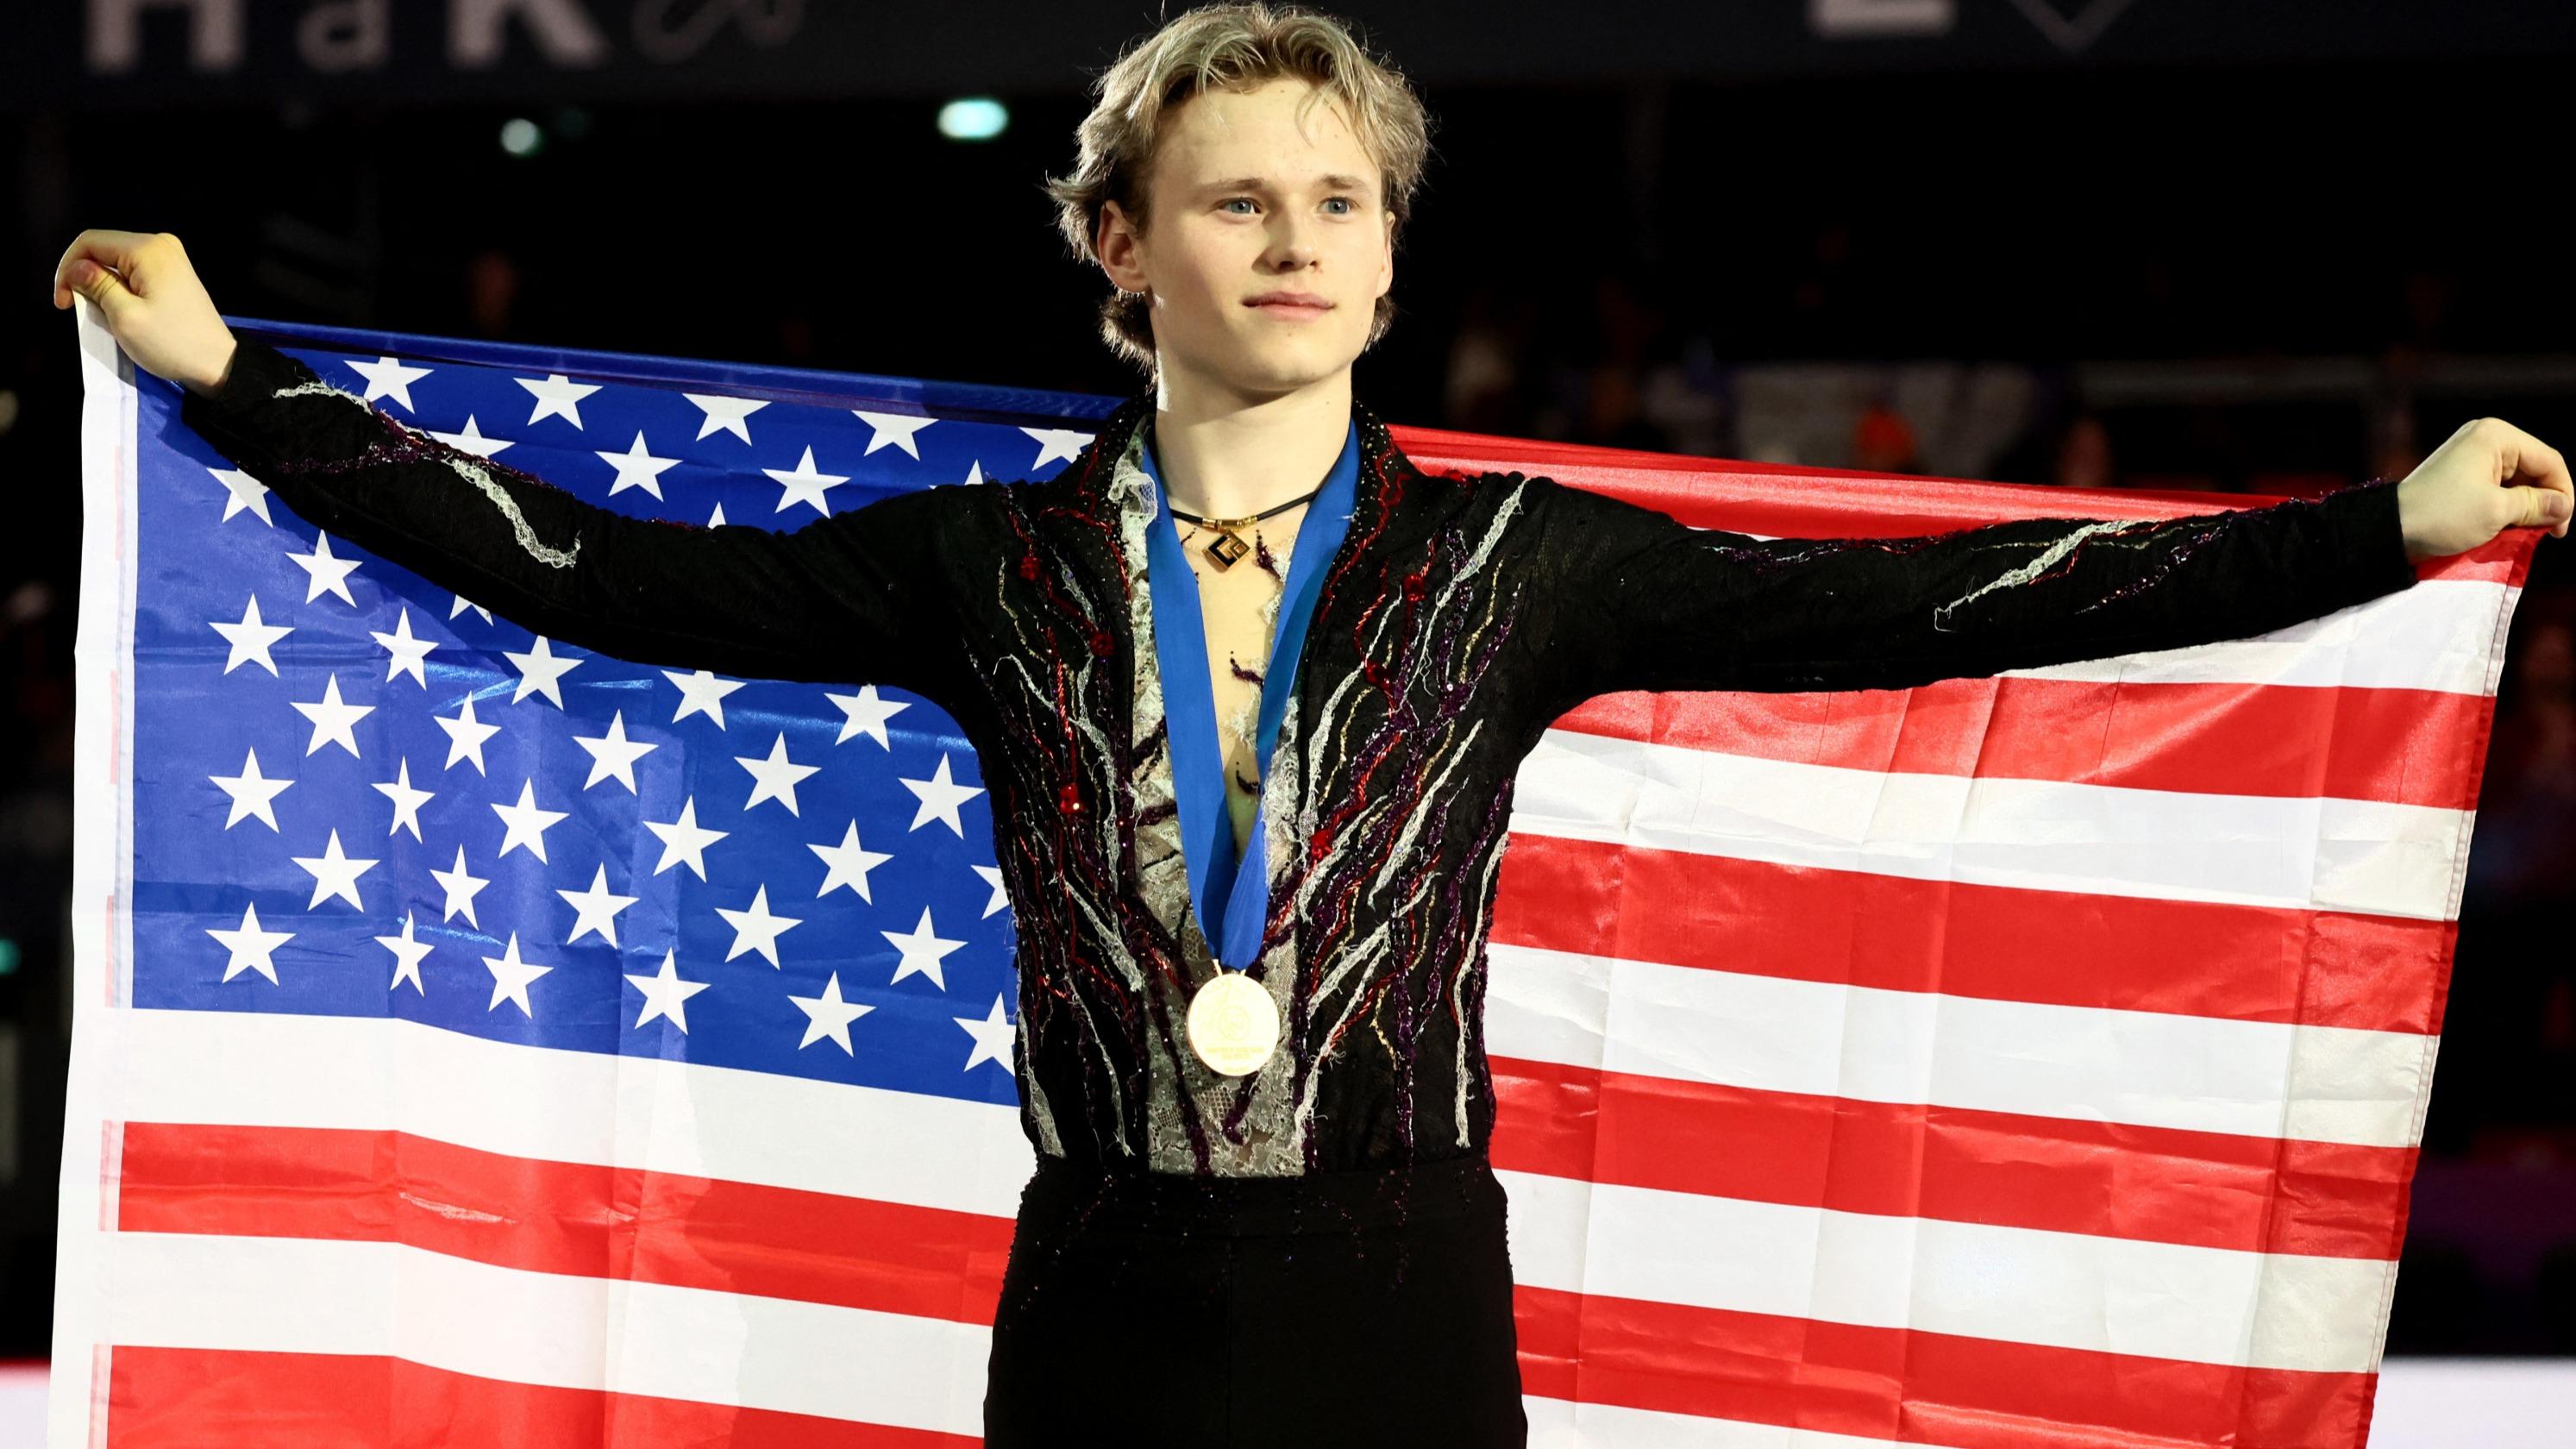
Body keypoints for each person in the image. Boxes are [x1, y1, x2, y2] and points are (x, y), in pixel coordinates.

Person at [50, 4, 2572, 1444]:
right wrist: (241, 385)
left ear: (1385, 249)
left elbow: (1944, 603)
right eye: (1237, 200)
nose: (1296, 242)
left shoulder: (1515, 562)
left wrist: (2370, 526)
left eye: (1338, 200)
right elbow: (593, 567)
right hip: (1105, 1288)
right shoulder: (989, 563)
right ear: (1118, 246)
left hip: (1397, 1292)